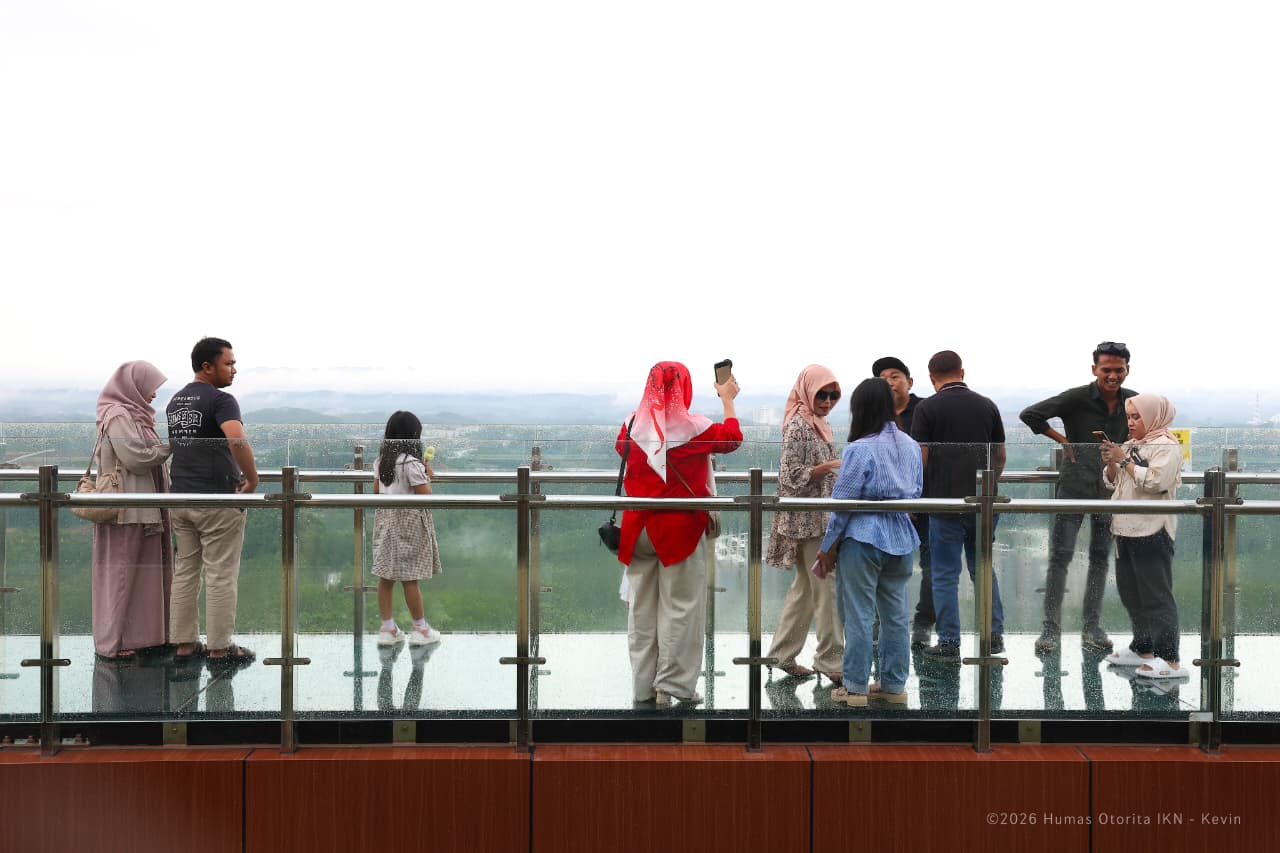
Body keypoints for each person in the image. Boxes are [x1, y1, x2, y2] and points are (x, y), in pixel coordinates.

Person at [616, 361, 742, 707]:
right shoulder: (694, 429)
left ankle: (643, 685)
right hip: (679, 531)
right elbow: (732, 439)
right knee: (681, 607)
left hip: (638, 528)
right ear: (684, 388)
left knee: (641, 610)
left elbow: (621, 451)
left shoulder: (631, 425)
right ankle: (674, 684)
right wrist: (727, 399)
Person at [1020, 341, 1137, 654]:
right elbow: (1030, 414)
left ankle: (1092, 627)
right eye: (1106, 370)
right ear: (1094, 370)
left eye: (1118, 370)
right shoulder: (1076, 398)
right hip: (1073, 487)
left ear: (1128, 369)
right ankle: (1050, 630)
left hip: (1111, 489)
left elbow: (1150, 433)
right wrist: (1064, 440)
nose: (1113, 376)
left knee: (1101, 558)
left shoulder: (1134, 401)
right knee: (1060, 557)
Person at [817, 378, 923, 707]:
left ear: (860, 409)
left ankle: (855, 687)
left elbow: (843, 505)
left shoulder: (859, 449)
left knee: (859, 614)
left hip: (862, 539)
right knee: (895, 615)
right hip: (902, 538)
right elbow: (916, 491)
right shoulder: (910, 445)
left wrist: (827, 546)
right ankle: (893, 685)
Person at [166, 337, 259, 667]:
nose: (234, 369)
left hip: (181, 496)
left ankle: (184, 644)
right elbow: (236, 438)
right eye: (228, 363)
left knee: (186, 571)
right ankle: (219, 649)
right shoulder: (222, 400)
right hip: (218, 497)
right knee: (220, 573)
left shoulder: (175, 402)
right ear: (207, 366)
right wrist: (252, 479)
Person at [909, 350, 1007, 658]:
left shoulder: (927, 408)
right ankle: (993, 637)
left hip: (944, 504)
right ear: (961, 372)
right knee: (983, 569)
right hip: (982, 502)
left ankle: (950, 641)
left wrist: (916, 497)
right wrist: (988, 486)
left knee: (944, 574)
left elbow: (920, 457)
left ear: (931, 377)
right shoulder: (987, 405)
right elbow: (1000, 455)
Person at [764, 365, 843, 682]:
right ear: (807, 392)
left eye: (833, 395)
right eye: (821, 394)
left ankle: (782, 655)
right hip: (806, 521)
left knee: (806, 591)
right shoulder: (799, 426)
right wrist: (827, 467)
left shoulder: (818, 423)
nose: (826, 401)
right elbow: (790, 477)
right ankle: (831, 660)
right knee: (826, 589)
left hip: (815, 518)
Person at [90, 361, 173, 660]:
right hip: (128, 509)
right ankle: (113, 642)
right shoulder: (118, 415)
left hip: (144, 506)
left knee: (140, 574)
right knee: (123, 574)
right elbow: (136, 457)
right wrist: (170, 447)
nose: (153, 395)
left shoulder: (133, 415)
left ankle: (143, 636)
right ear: (134, 386)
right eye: (150, 388)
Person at [1100, 395, 1186, 679]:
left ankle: (1169, 658)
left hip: (1152, 529)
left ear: (1154, 416)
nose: (1132, 422)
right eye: (1129, 417)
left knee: (1156, 596)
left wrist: (1122, 459)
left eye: (1137, 417)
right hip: (1124, 527)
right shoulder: (1133, 444)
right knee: (1131, 593)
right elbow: (1112, 481)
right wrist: (1112, 463)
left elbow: (1156, 483)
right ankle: (1143, 647)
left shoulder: (1168, 446)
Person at [873, 356, 934, 649]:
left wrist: (913, 501)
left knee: (931, 566)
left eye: (895, 375)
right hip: (885, 509)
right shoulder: (873, 417)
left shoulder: (925, 410)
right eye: (882, 377)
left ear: (910, 381)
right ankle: (878, 626)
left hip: (924, 503)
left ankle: (923, 625)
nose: (889, 381)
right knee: (880, 567)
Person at [371, 410, 443, 646]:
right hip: (409, 523)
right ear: (413, 437)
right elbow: (425, 495)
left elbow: (376, 492)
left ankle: (388, 628)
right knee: (410, 579)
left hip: (386, 520)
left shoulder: (381, 462)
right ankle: (420, 629)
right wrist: (427, 476)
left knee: (385, 577)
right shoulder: (412, 463)